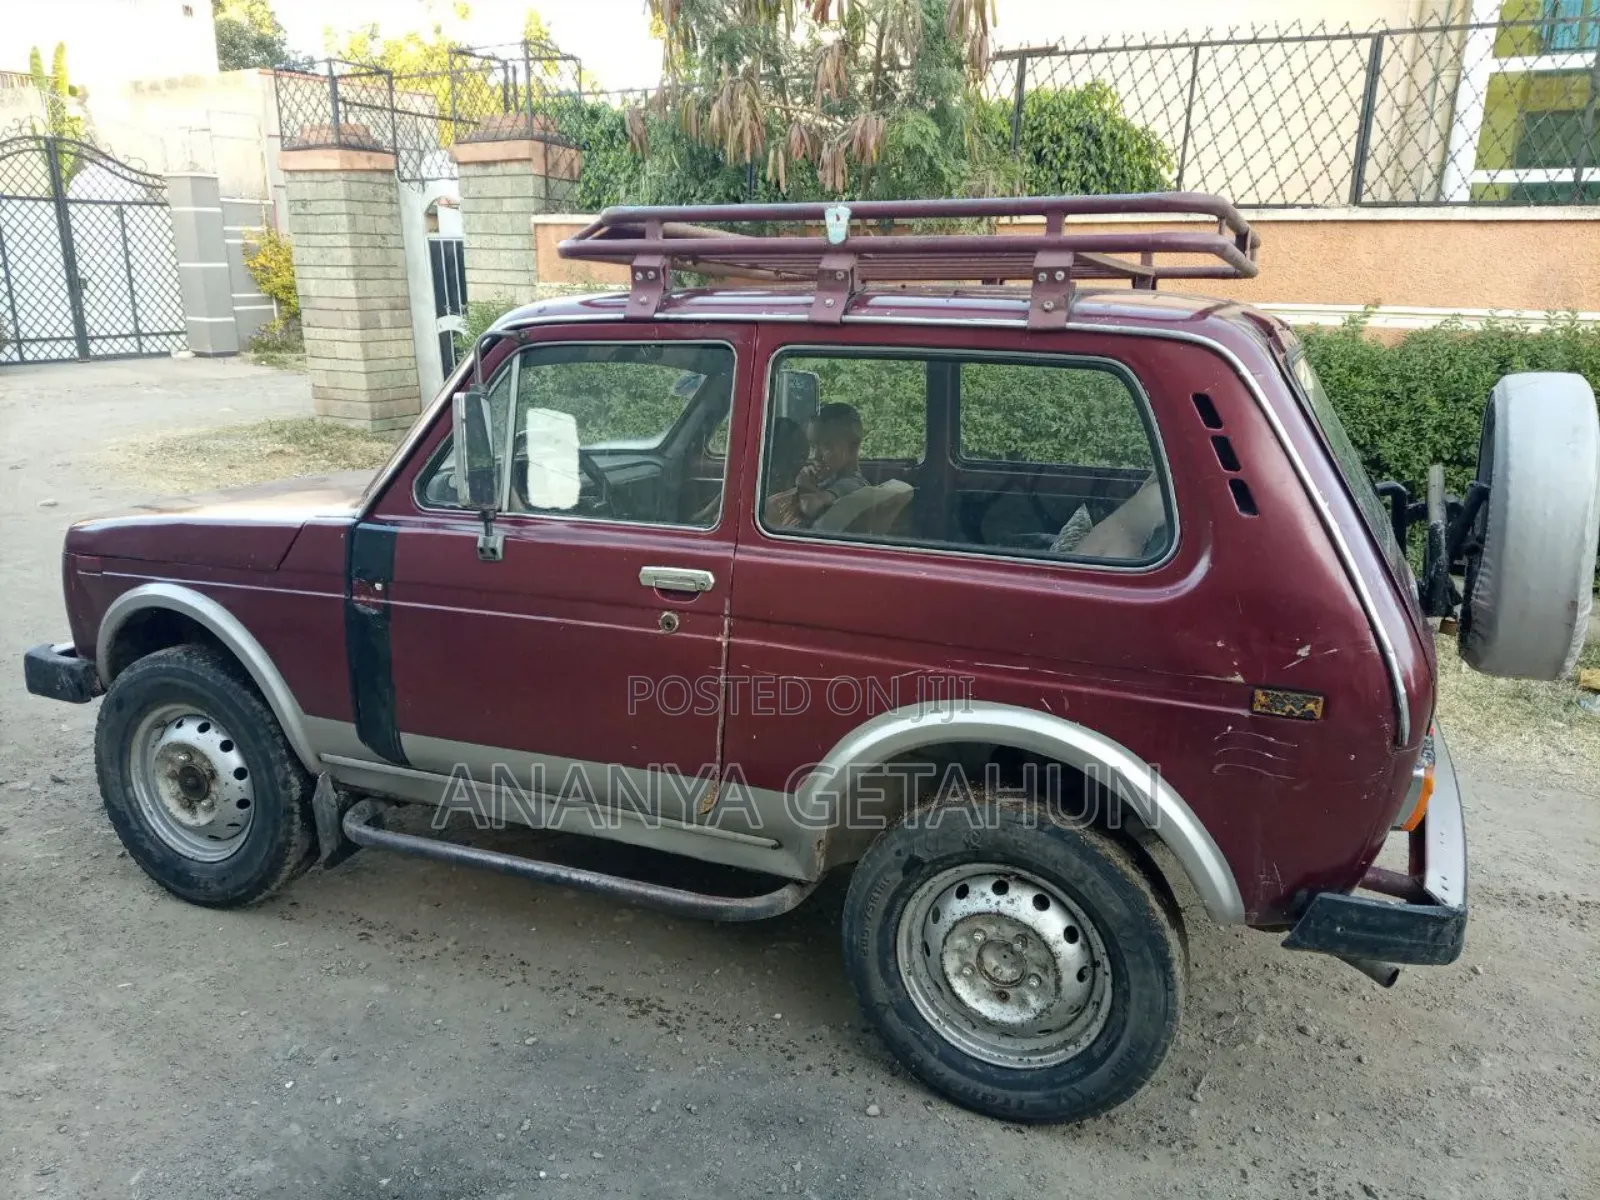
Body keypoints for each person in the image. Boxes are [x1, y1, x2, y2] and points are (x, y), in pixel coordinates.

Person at [765, 402, 869, 528]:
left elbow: (811, 507)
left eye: (827, 446)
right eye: (813, 446)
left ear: (852, 448)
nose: (816, 456)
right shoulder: (830, 479)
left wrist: (805, 486)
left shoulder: (852, 485)